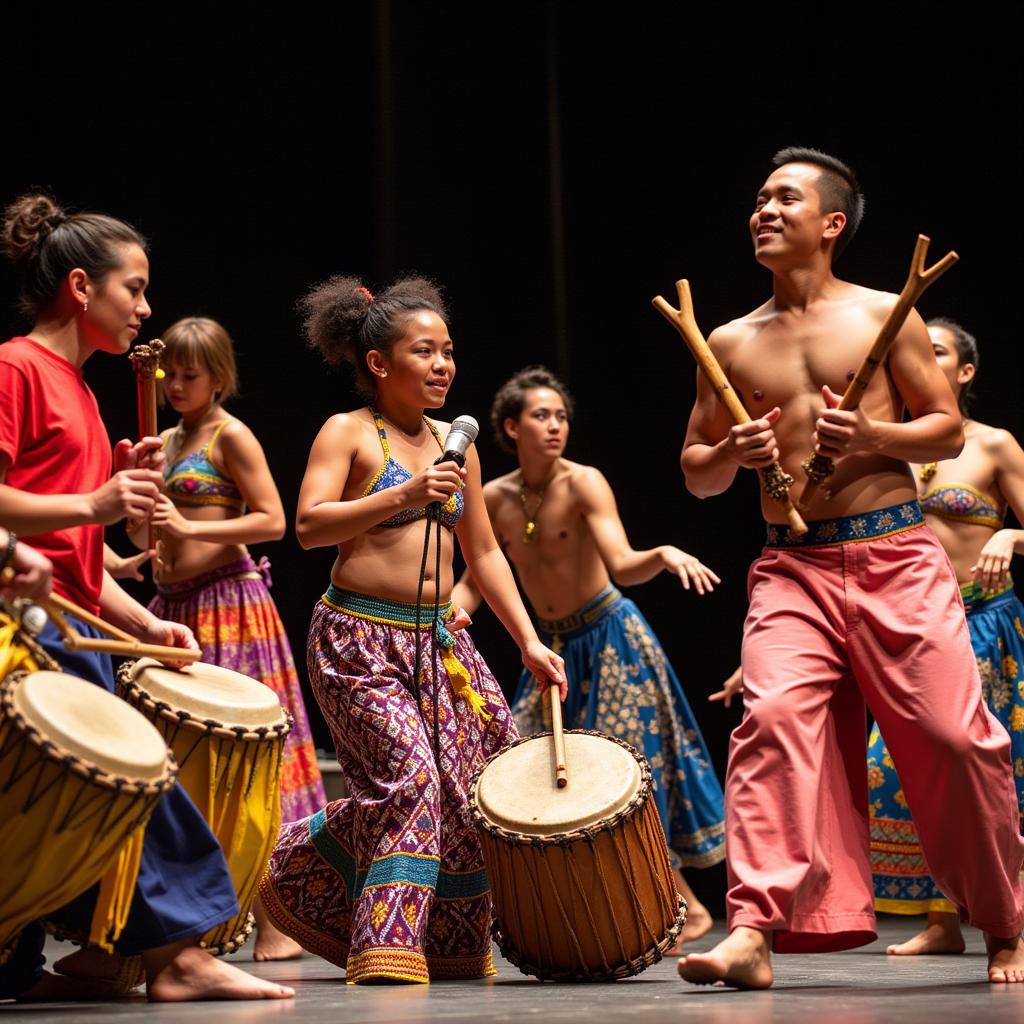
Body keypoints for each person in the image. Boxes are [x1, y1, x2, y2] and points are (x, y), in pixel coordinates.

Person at [676, 148, 1024, 988]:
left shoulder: (883, 314)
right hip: (790, 568)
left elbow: (943, 429)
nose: (763, 208)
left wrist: (872, 438)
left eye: (784, 197)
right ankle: (753, 929)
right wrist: (732, 446)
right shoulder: (727, 338)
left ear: (832, 222)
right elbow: (696, 470)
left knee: (954, 739)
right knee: (772, 727)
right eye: (758, 197)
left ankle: (1006, 921)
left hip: (894, 554)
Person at [0, 194, 292, 1001]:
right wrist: (94, 507)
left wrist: (143, 620)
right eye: (135, 288)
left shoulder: (84, 397)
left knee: (87, 809)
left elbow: (75, 558)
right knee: (140, 776)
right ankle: (177, 956)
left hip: (71, 626)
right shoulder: (16, 368)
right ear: (82, 287)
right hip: (20, 632)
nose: (146, 306)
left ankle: (105, 954)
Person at [258, 275, 565, 985]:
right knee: (411, 781)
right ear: (378, 364)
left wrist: (528, 639)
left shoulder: (457, 445)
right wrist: (400, 494)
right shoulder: (349, 432)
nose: (442, 365)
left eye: (448, 351)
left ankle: (451, 946)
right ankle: (383, 947)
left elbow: (484, 552)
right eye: (424, 351)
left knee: (468, 788)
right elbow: (307, 526)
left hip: (436, 641)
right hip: (358, 640)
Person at [451, 365, 725, 944]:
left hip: (610, 637)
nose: (555, 426)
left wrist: (664, 554)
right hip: (548, 648)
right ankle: (563, 907)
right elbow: (478, 575)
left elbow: (623, 562)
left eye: (561, 416)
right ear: (510, 426)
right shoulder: (495, 497)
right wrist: (451, 611)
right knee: (520, 765)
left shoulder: (584, 482)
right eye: (541, 416)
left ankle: (684, 906)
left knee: (623, 772)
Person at [126, 315, 328, 961]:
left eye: (191, 375)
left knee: (253, 763)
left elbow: (270, 521)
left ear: (218, 376)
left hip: (231, 606)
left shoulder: (230, 436)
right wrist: (144, 520)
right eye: (170, 376)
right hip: (173, 608)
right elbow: (146, 539)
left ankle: (276, 919)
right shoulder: (164, 438)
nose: (177, 386)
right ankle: (190, 917)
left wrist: (187, 528)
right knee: (178, 763)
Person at [866, 319, 1024, 955]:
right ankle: (941, 920)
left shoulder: (994, 446)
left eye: (936, 352)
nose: (920, 359)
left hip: (986, 624)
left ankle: (998, 916)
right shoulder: (884, 445)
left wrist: (1010, 533)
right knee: (899, 768)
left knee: (990, 772)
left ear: (963, 373)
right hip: (908, 625)